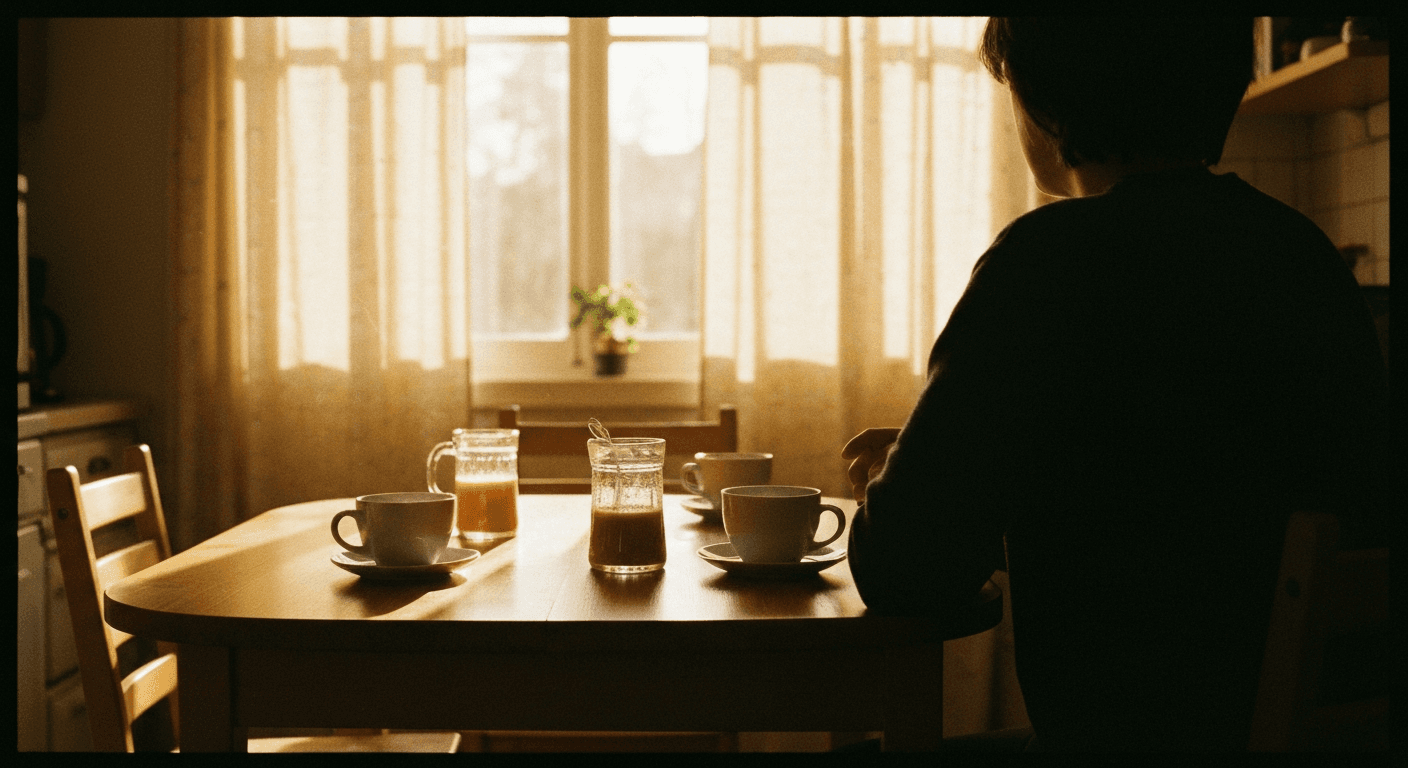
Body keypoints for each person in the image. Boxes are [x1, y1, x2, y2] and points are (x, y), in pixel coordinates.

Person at [841, 17, 1388, 752]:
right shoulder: (1303, 258)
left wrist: (893, 480)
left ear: (1044, 99)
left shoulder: (1047, 264)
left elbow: (906, 571)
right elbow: (1175, 524)